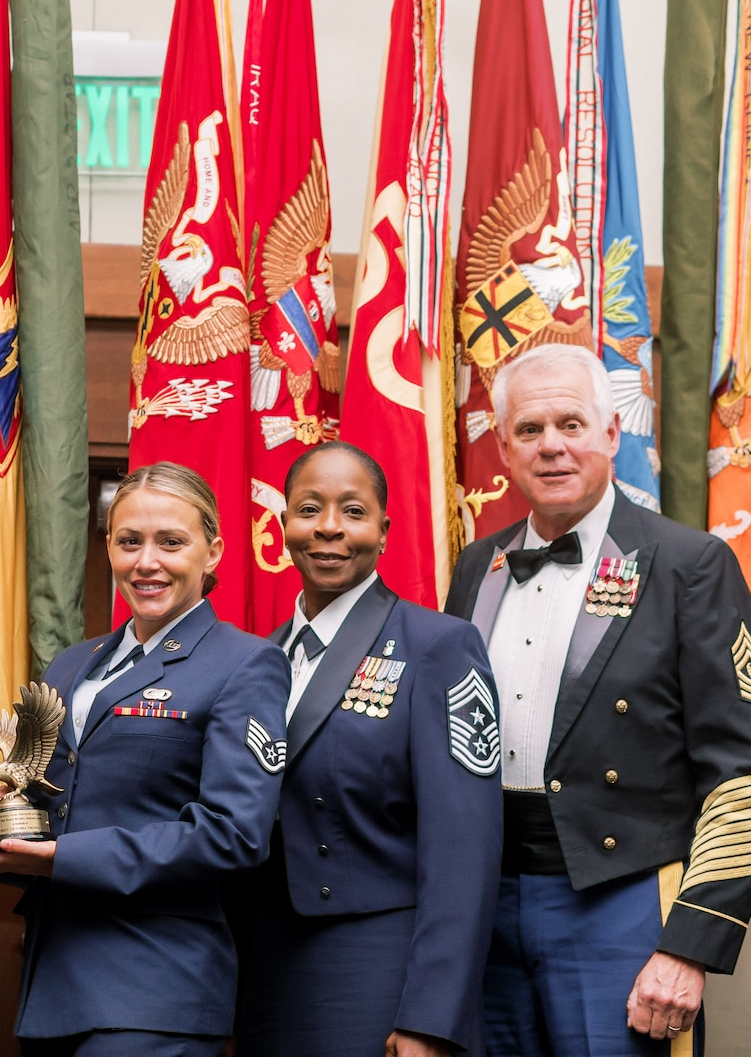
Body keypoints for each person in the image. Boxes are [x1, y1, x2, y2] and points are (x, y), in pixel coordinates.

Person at [445, 344, 751, 1055]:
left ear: (611, 434)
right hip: (485, 898)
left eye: (572, 424)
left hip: (622, 900)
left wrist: (690, 944)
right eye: (530, 431)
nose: (552, 447)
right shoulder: (479, 565)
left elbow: (748, 772)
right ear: (503, 447)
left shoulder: (690, 564)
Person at [0, 462, 289, 1057]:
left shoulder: (244, 664)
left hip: (156, 989)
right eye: (129, 541)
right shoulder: (70, 666)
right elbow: (45, 805)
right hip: (51, 986)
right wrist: (4, 834)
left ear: (213, 552)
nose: (146, 561)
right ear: (108, 546)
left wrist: (61, 858)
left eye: (171, 542)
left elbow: (234, 835)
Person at [235, 442, 502, 1057]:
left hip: (380, 968)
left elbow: (465, 848)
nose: (329, 527)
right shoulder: (255, 658)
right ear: (283, 527)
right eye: (309, 509)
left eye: (352, 511)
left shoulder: (439, 646)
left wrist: (433, 1017)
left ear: (384, 530)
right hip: (265, 966)